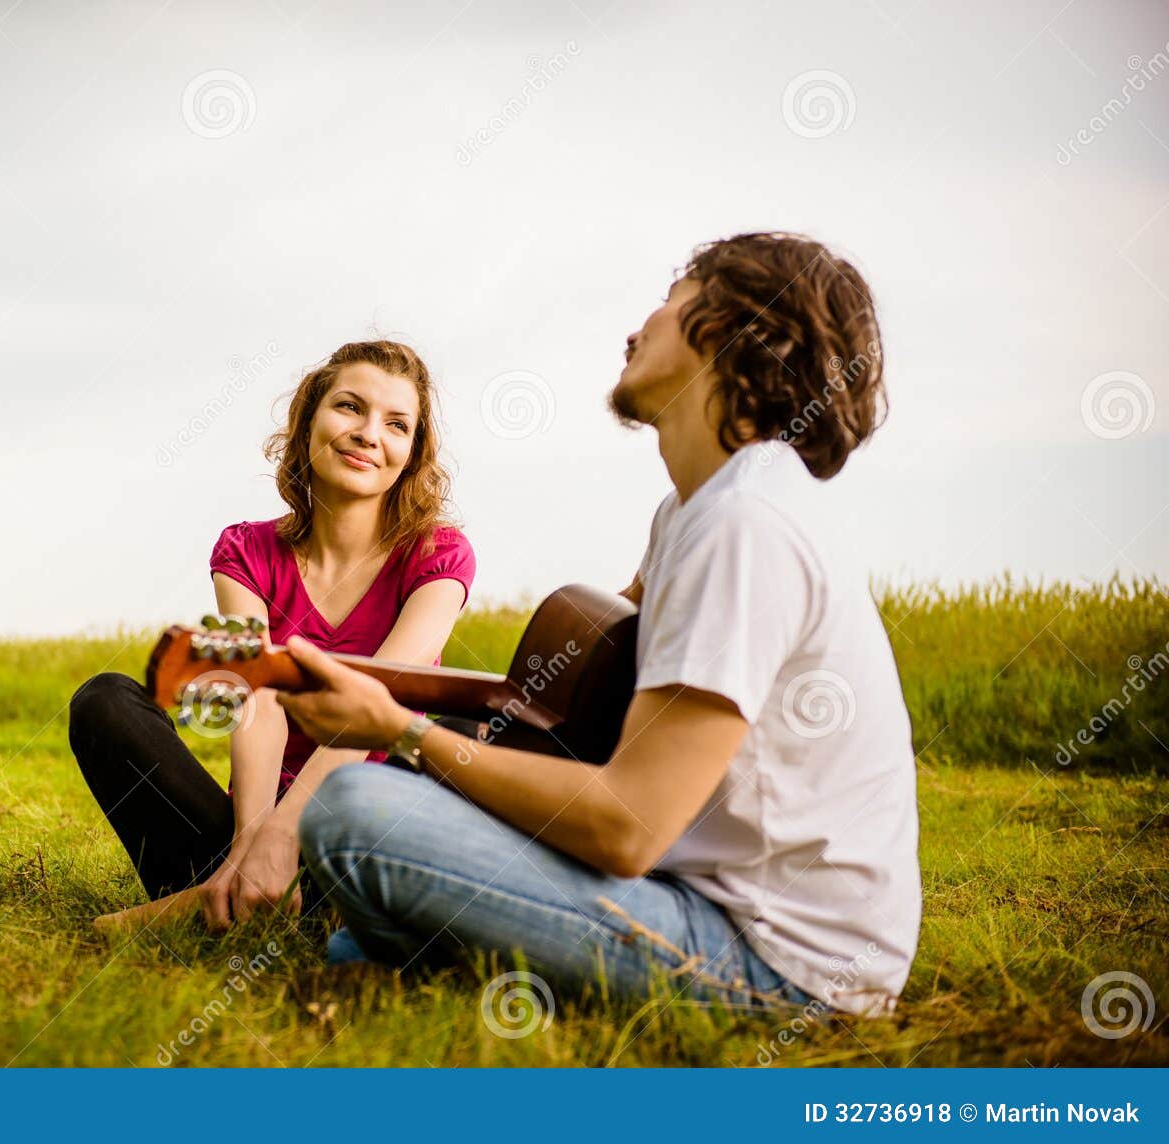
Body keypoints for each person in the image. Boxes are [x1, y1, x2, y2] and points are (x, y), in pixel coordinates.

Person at [278, 233, 922, 1017]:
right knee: (380, 865)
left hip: (781, 966)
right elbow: (587, 696)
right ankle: (442, 967)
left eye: (671, 302)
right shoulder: (694, 512)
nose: (636, 328)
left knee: (353, 812)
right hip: (685, 895)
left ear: (723, 332)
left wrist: (400, 730)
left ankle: (440, 962)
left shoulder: (745, 524)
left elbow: (626, 826)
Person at [69, 340, 476, 933]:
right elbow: (256, 700)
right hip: (250, 818)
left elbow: (374, 703)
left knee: (469, 735)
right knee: (104, 701)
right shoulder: (246, 551)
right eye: (349, 407)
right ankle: (251, 886)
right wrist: (253, 838)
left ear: (411, 453)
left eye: (396, 424)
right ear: (309, 420)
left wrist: (286, 837)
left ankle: (212, 905)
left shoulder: (439, 556)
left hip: (370, 822)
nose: (368, 433)